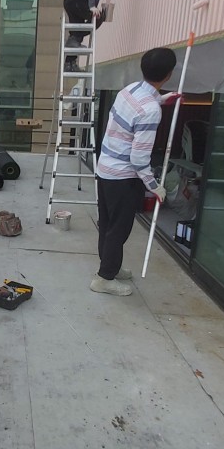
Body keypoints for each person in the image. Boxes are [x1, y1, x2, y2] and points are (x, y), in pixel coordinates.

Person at [91, 47, 177, 296]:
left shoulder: (129, 90)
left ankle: (110, 266)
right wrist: (154, 186)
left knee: (108, 224)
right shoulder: (150, 111)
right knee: (118, 229)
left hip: (105, 170)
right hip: (123, 177)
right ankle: (104, 278)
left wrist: (162, 99)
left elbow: (139, 109)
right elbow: (139, 159)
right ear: (169, 74)